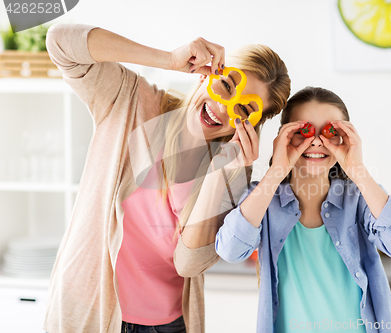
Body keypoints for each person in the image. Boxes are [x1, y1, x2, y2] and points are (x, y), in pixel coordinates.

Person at [43, 23, 290, 333]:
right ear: (208, 74)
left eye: (242, 108)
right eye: (226, 86)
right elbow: (60, 43)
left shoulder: (234, 168)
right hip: (86, 312)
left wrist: (219, 177)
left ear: (251, 125)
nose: (223, 109)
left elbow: (189, 264)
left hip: (165, 326)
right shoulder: (132, 101)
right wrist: (169, 59)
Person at [215, 87, 391, 333]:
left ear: (345, 138)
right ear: (284, 137)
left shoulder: (358, 198)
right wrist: (277, 170)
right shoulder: (263, 199)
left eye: (330, 132)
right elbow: (230, 250)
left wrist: (357, 170)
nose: (315, 141)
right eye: (303, 131)